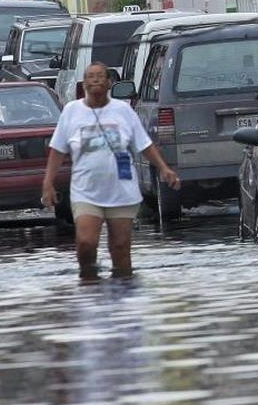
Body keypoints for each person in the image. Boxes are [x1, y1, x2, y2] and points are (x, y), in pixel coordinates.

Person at [41, 62, 180, 280]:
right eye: (90, 76)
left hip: (121, 191)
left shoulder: (123, 111)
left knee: (120, 247)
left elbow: (144, 144)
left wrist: (164, 168)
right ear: (84, 84)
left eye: (100, 76)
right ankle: (89, 282)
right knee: (86, 243)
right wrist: (48, 183)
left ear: (109, 83)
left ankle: (123, 289)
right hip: (86, 192)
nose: (95, 79)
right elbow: (58, 150)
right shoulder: (71, 111)